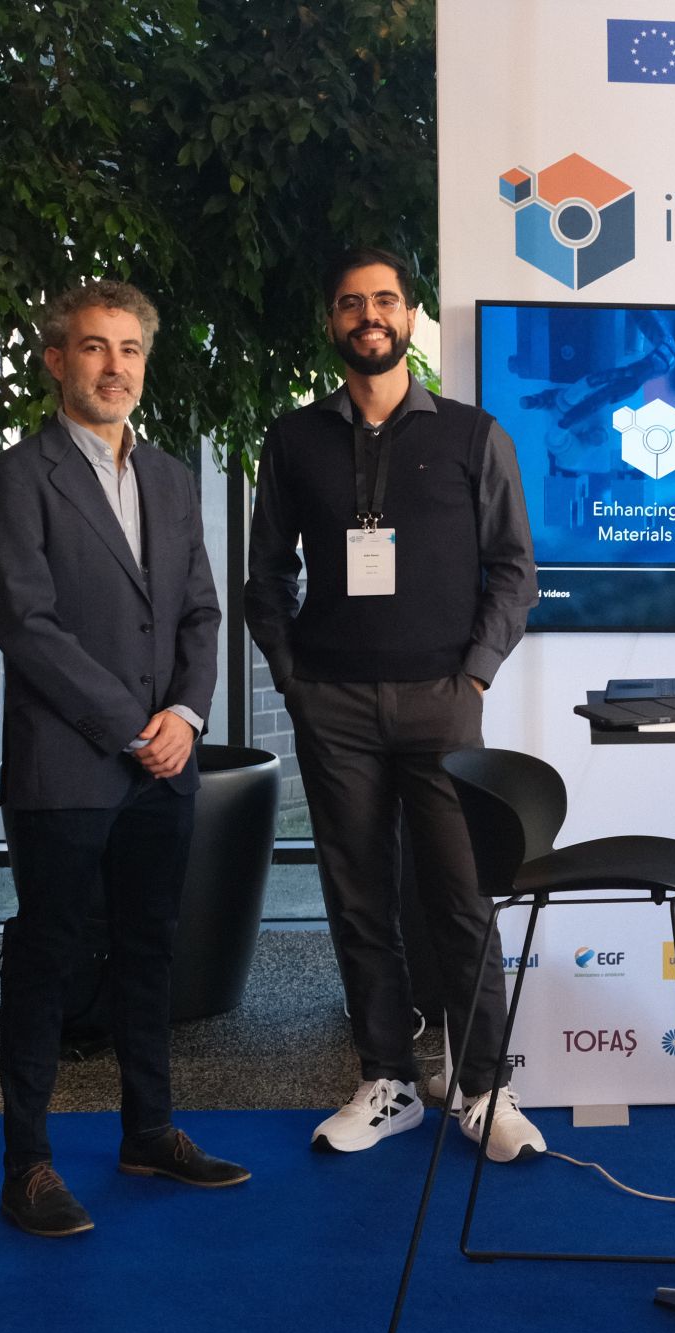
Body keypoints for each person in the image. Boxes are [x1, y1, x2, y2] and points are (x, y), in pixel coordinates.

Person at [247, 247, 542, 1162]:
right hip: (333, 706)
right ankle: (388, 1080)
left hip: (443, 704)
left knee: (462, 897)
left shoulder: (471, 434)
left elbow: (515, 570)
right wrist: (294, 679)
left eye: (385, 300)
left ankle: (485, 1087)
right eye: (350, 303)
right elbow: (267, 576)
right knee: (359, 899)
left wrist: (475, 676)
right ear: (331, 322)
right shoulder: (293, 440)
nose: (368, 315)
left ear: (411, 317)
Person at [0, 280, 247, 1236]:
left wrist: (186, 715)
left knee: (150, 946)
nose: (114, 366)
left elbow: (200, 611)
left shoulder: (169, 477)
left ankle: (149, 1131)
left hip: (165, 762)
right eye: (94, 347)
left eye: (130, 349)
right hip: (66, 766)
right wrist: (134, 724)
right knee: (45, 958)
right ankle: (28, 1166)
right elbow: (28, 626)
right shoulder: (17, 478)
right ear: (58, 361)